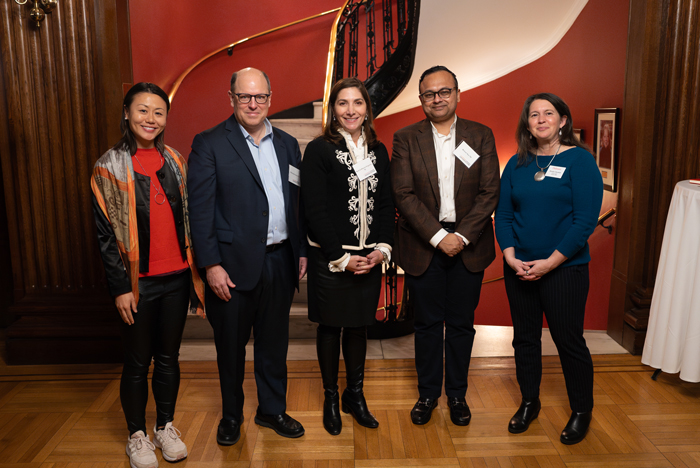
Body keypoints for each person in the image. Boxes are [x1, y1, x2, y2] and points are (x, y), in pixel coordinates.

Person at [187, 67, 307, 446]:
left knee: (274, 344)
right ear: (231, 99)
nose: (253, 104)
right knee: (231, 348)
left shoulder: (288, 143)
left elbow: (296, 202)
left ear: (271, 99)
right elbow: (200, 211)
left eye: (260, 97)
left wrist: (300, 250)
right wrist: (211, 265)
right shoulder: (209, 143)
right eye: (245, 97)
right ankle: (232, 416)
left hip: (280, 261)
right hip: (231, 266)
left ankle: (271, 410)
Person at [91, 82, 205, 468]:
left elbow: (188, 218)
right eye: (142, 110)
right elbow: (106, 235)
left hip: (176, 277)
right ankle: (137, 434)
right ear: (126, 113)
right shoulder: (107, 166)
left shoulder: (175, 160)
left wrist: (194, 275)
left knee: (169, 358)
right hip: (138, 283)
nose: (150, 119)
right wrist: (120, 287)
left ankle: (166, 427)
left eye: (158, 112)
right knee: (138, 361)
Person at [391, 66, 500, 426]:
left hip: (470, 245)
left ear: (457, 93)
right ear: (421, 99)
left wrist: (461, 237)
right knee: (425, 325)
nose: (437, 99)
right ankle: (427, 395)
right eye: (429, 94)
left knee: (461, 325)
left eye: (444, 91)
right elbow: (403, 194)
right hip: (424, 246)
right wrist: (439, 237)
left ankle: (457, 395)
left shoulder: (480, 135)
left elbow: (489, 192)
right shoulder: (405, 138)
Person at [494, 93, 603, 445]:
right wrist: (510, 257)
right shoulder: (517, 163)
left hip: (564, 271)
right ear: (527, 123)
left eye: (549, 113)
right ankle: (529, 402)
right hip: (519, 267)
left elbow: (584, 221)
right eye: (534, 115)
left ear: (563, 121)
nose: (541, 119)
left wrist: (551, 262)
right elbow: (505, 215)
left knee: (568, 341)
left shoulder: (580, 162)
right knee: (525, 339)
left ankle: (581, 411)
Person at [301, 78, 394, 436]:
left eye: (358, 103)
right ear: (333, 110)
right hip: (331, 259)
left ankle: (354, 395)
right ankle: (329, 397)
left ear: (367, 109)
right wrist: (340, 257)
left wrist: (382, 249)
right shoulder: (319, 150)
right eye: (343, 103)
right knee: (331, 328)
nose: (351, 110)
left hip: (369, 258)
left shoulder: (379, 151)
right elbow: (315, 209)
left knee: (359, 327)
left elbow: (386, 203)